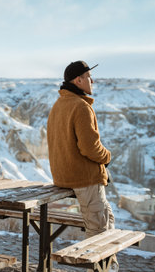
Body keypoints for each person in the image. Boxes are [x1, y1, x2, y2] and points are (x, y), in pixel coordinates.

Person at [47, 60, 118, 271]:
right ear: (78, 80)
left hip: (63, 176)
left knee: (108, 219)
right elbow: (91, 148)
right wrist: (107, 157)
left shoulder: (59, 105)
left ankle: (110, 267)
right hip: (84, 178)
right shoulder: (81, 106)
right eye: (88, 77)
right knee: (99, 231)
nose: (92, 81)